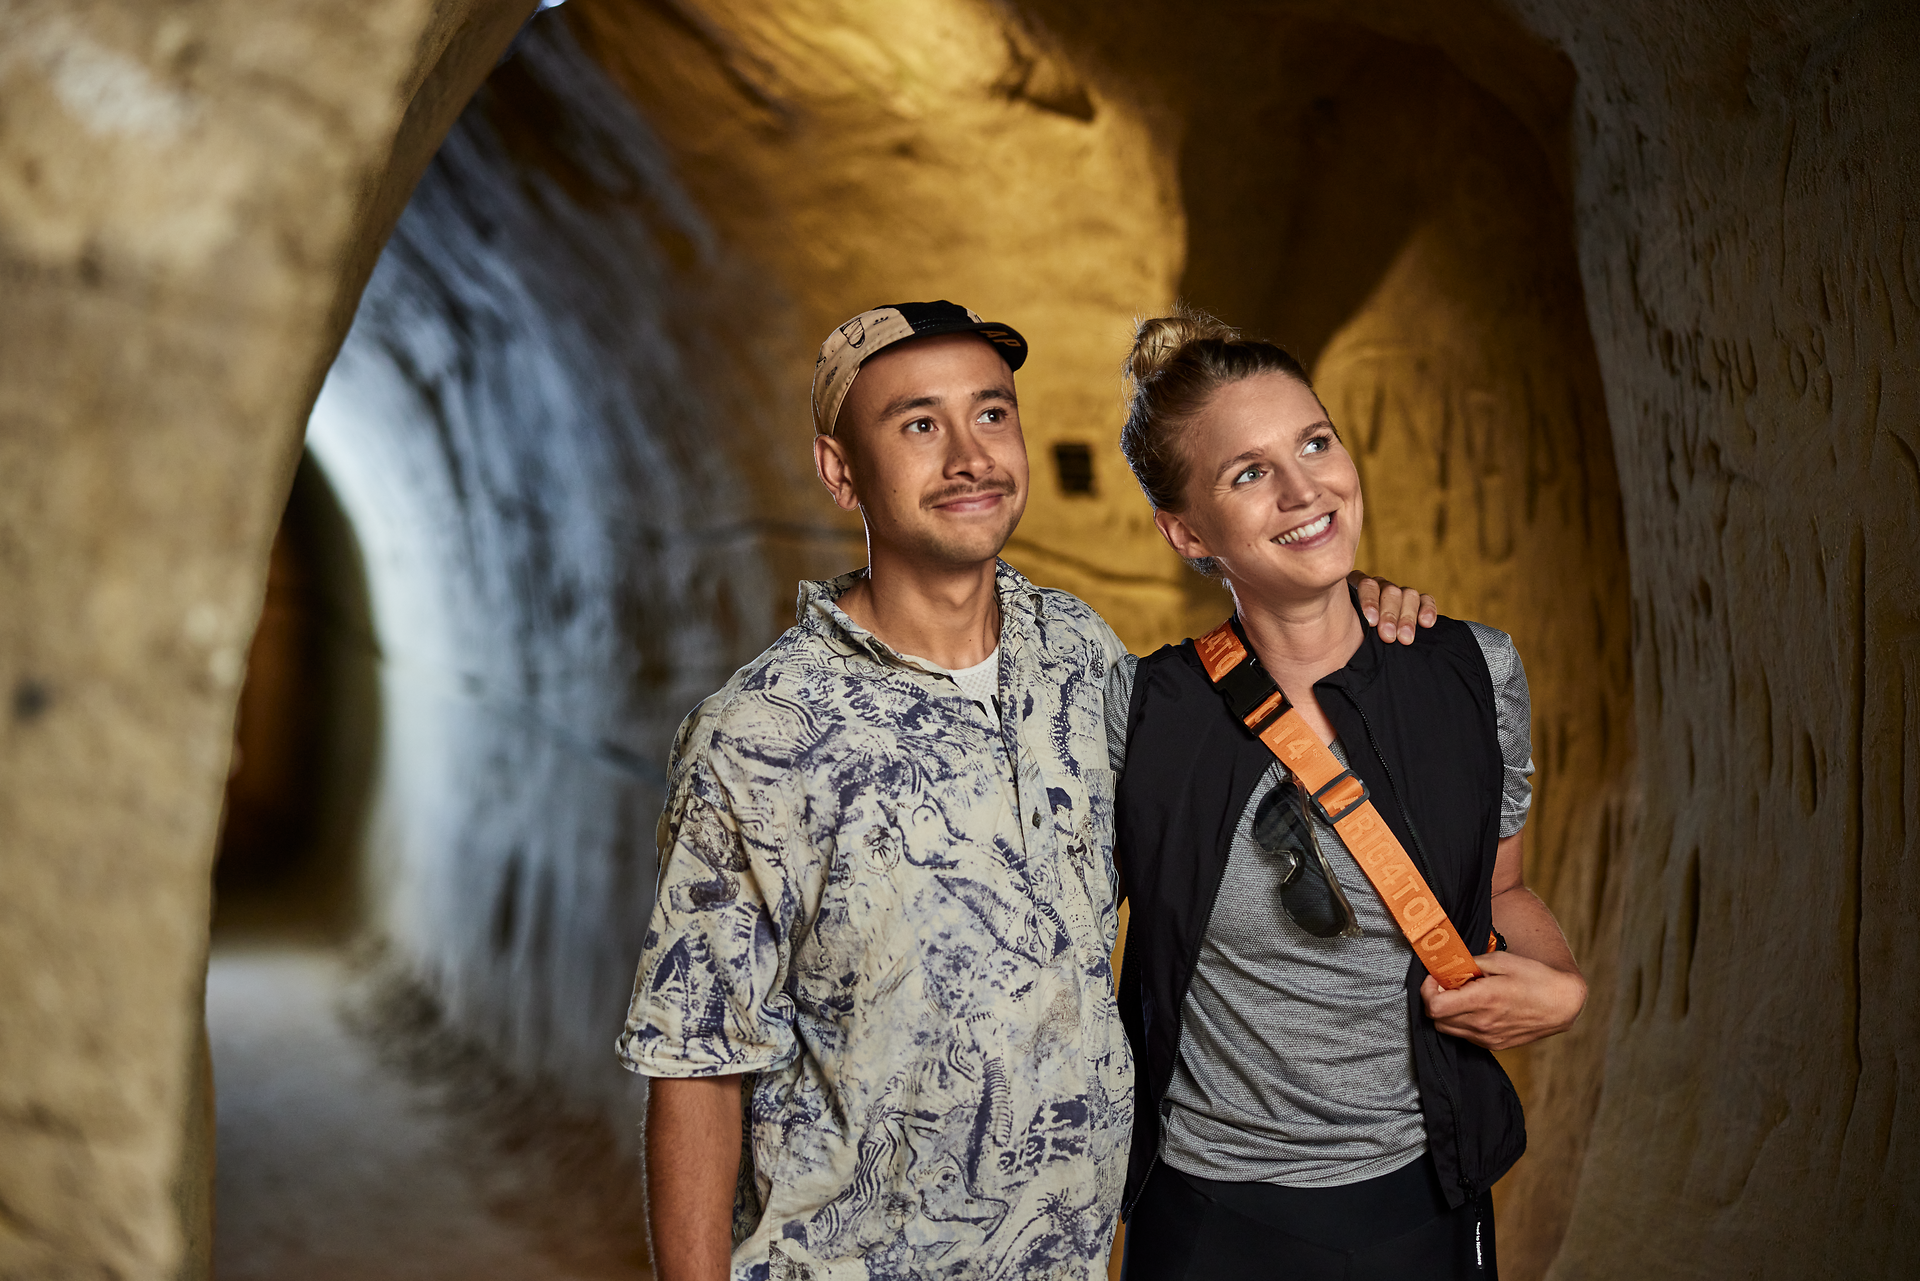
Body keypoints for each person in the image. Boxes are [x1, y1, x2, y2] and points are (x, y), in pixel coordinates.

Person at [617, 301, 1437, 1281]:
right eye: (919, 424)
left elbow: (1213, 809)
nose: (970, 455)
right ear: (840, 470)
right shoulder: (759, 733)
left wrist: (1340, 603)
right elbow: (697, 1066)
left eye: (992, 414)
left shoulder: (1080, 656)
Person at [1108, 308, 1588, 1280]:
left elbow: (1499, 895)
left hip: (1420, 1195)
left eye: (1314, 443)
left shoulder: (1473, 673)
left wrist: (1562, 986)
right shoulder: (1140, 714)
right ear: (1185, 529)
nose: (1304, 490)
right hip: (1208, 1213)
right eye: (1249, 473)